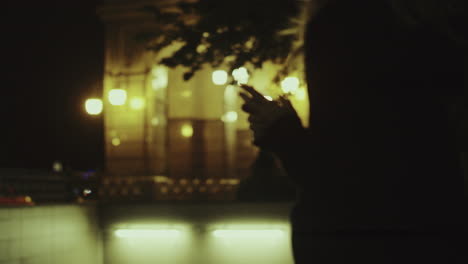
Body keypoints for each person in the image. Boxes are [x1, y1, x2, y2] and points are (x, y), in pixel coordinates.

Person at [240, 0, 466, 263]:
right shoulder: (433, 26)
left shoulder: (344, 24)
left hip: (358, 239)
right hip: (434, 230)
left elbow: (339, 171)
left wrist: (281, 129)